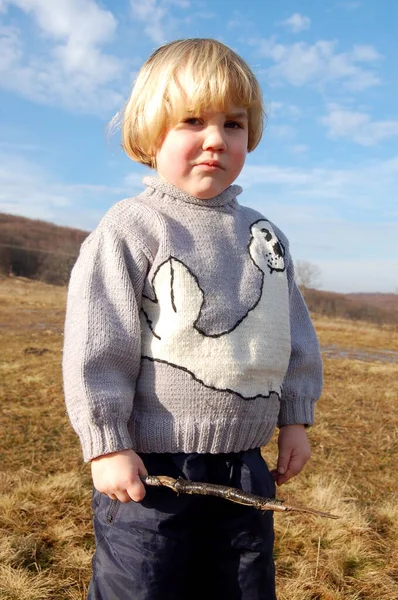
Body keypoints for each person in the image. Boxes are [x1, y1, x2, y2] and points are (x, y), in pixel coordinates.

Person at [63, 38, 323, 600]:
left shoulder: (267, 235)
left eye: (233, 124)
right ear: (150, 133)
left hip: (245, 471)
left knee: (242, 588)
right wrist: (106, 443)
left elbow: (292, 335)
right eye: (191, 121)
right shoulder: (131, 227)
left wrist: (295, 418)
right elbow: (95, 345)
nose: (215, 140)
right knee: (144, 587)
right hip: (151, 473)